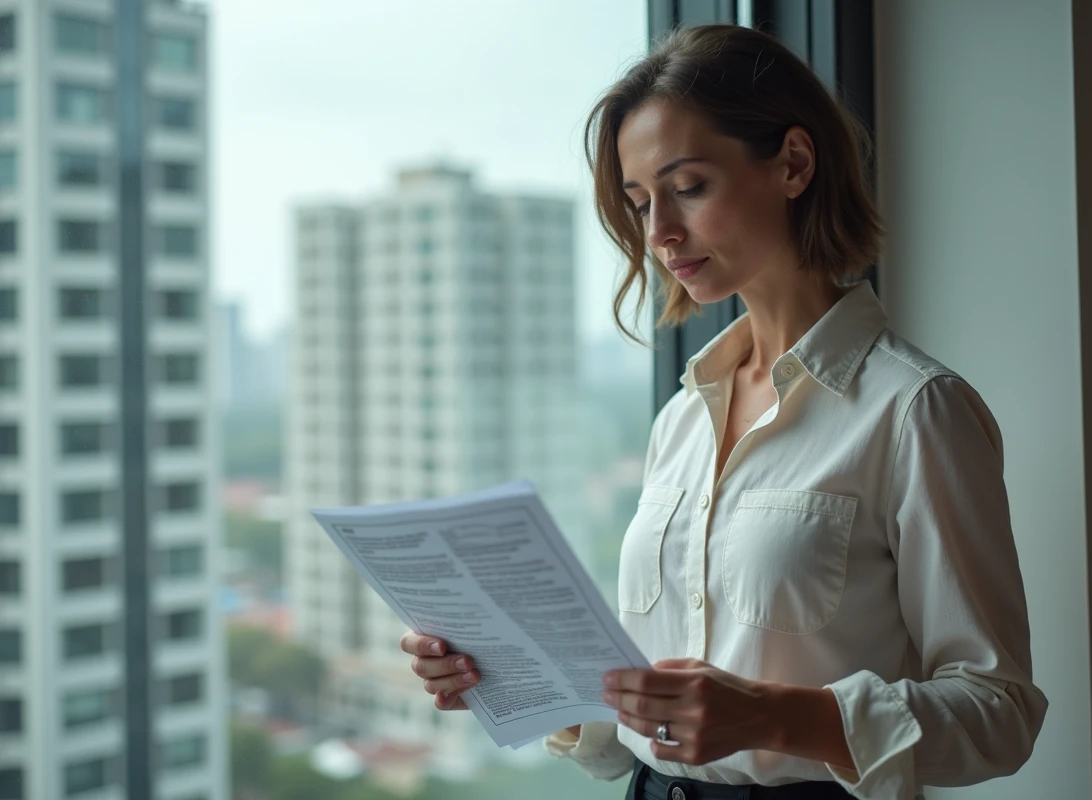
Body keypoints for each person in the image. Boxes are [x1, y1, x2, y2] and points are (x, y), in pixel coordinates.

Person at [400, 23, 1048, 800]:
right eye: (640, 203)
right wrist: (510, 675)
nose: (660, 234)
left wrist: (774, 718)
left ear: (794, 164)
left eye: (690, 187)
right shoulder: (681, 418)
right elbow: (635, 725)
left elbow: (999, 712)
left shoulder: (914, 411)